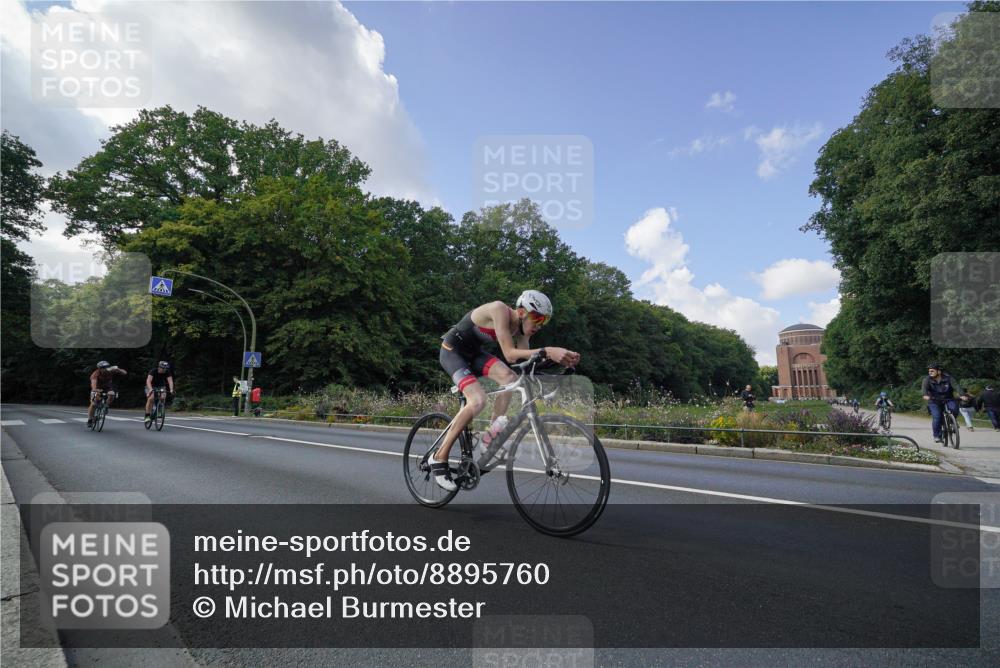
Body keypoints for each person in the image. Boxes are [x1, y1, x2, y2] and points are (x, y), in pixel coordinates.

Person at [430, 290, 580, 492]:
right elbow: (510, 355)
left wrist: (558, 363)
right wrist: (547, 351)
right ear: (521, 312)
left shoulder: (523, 331)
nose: (539, 325)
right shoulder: (499, 309)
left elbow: (525, 363)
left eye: (544, 321)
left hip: (475, 353)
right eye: (537, 318)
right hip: (452, 351)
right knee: (478, 400)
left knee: (510, 377)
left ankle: (490, 436)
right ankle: (439, 457)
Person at [921, 363, 962, 444]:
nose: (930, 372)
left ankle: (952, 421)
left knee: (954, 409)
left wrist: (962, 394)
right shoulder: (927, 380)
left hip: (948, 398)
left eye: (932, 371)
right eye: (929, 371)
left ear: (939, 371)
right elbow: (924, 389)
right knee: (937, 417)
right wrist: (925, 395)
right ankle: (937, 436)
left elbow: (957, 386)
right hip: (934, 401)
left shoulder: (948, 378)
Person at [88, 361, 127, 427]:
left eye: (107, 367)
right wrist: (95, 390)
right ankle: (90, 419)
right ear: (100, 369)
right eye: (104, 368)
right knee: (94, 404)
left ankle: (106, 406)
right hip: (97, 388)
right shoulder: (95, 374)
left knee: (112, 394)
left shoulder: (110, 371)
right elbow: (93, 384)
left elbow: (125, 373)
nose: (106, 369)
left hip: (107, 387)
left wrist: (118, 369)